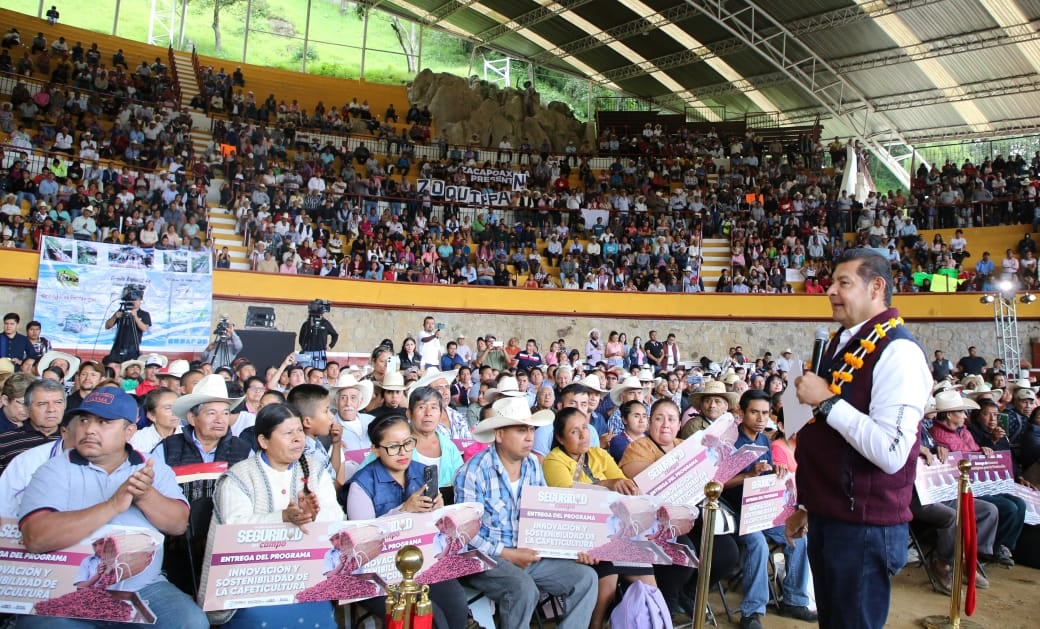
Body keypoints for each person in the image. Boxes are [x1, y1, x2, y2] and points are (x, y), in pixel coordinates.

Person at [792, 248, 932, 629]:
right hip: (830, 514)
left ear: (877, 287)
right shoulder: (843, 343)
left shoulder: (898, 352)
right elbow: (826, 437)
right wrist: (809, 503)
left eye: (844, 283)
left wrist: (826, 400)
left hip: (863, 526)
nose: (830, 291)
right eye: (831, 282)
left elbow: (890, 451)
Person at [16, 386, 209, 629]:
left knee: (190, 622)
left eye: (104, 422)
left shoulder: (152, 468)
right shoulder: (54, 469)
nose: (89, 429)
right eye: (84, 420)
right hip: (66, 589)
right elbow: (36, 538)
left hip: (144, 587)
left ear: (129, 431)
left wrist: (145, 495)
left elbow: (178, 524)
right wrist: (111, 506)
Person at [455, 397, 598, 629]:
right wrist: (509, 554)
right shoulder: (472, 473)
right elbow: (467, 535)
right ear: (499, 435)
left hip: (527, 552)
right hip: (486, 559)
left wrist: (573, 547)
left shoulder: (532, 464)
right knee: (522, 588)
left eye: (531, 429)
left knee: (586, 578)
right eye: (521, 430)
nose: (530, 436)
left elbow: (544, 515)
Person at [208, 403, 342, 628]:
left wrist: (313, 516)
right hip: (250, 583)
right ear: (263, 441)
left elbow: (337, 517)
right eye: (288, 433)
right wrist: (283, 518)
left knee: (320, 615)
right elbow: (234, 531)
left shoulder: (315, 469)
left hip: (306, 576)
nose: (298, 439)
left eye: (300, 431)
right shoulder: (239, 477)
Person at [615, 399, 740, 618]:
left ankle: (690, 593)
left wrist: (712, 476)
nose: (665, 424)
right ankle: (666, 603)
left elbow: (711, 475)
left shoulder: (688, 445)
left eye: (671, 419)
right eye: (658, 418)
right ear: (650, 422)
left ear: (678, 424)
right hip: (656, 522)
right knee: (684, 552)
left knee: (727, 552)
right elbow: (639, 475)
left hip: (693, 515)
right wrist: (688, 470)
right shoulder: (638, 447)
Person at [344, 414, 469, 629]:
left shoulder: (424, 472)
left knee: (457, 603)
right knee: (430, 616)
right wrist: (403, 511)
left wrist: (438, 512)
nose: (403, 452)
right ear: (375, 449)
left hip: (423, 561)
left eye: (408, 443)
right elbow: (361, 542)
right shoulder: (362, 484)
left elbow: (437, 531)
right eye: (393, 447)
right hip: (379, 572)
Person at [542, 406, 651, 629]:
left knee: (648, 580)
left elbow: (624, 487)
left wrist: (619, 486)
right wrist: (606, 484)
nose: (583, 434)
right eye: (574, 431)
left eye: (584, 427)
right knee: (608, 583)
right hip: (580, 534)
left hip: (614, 531)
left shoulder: (599, 454)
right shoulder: (554, 461)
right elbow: (569, 499)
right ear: (561, 438)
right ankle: (595, 624)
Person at [725, 390, 815, 628]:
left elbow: (767, 474)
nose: (760, 418)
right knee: (758, 544)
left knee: (798, 536)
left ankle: (794, 600)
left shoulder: (764, 440)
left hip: (764, 508)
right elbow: (719, 482)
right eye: (754, 412)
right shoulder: (732, 441)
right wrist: (747, 475)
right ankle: (752, 612)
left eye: (765, 413)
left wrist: (777, 471)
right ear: (741, 412)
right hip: (738, 513)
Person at [0, 378, 66, 475]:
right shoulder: (4, 441)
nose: (51, 409)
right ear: (27, 408)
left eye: (58, 402)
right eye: (42, 404)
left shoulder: (75, 439)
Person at [103, 295, 151, 364]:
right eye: (131, 300)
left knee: (131, 366)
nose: (133, 302)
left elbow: (144, 328)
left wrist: (135, 317)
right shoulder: (121, 312)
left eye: (135, 300)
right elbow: (107, 326)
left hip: (133, 347)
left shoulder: (144, 314)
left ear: (140, 301)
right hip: (118, 346)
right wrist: (115, 316)